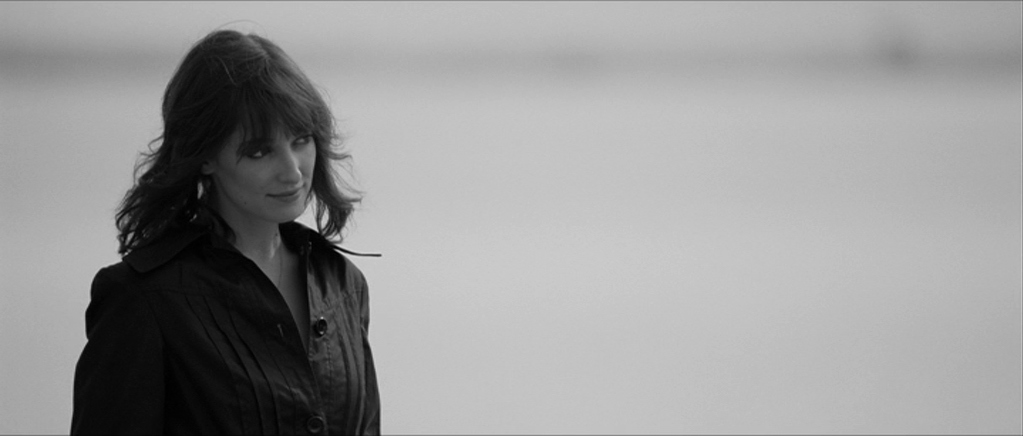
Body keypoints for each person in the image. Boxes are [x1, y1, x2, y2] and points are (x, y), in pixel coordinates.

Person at [70, 29, 380, 435]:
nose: (292, 172)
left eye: (301, 140)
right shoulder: (143, 299)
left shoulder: (342, 284)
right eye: (259, 151)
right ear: (204, 157)